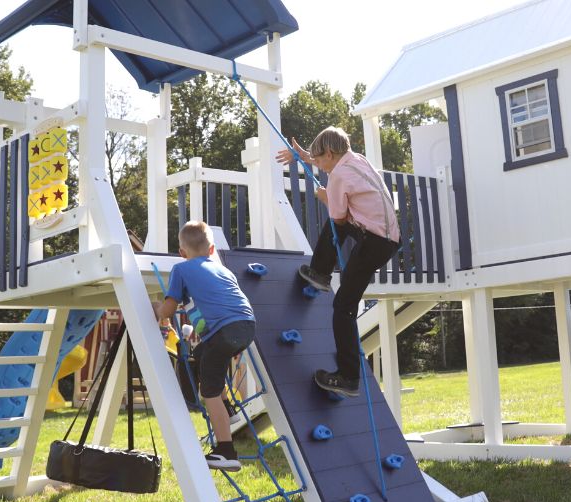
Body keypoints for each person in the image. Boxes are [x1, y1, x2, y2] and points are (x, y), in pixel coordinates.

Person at [276, 126, 400, 397]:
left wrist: (326, 197)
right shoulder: (356, 160)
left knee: (343, 307)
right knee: (339, 220)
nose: (319, 165)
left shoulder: (339, 176)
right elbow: (334, 170)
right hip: (387, 237)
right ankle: (320, 272)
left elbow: (339, 219)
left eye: (320, 160)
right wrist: (306, 157)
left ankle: (348, 377)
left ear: (330, 153)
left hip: (374, 243)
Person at [154, 221, 256, 472]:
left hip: (222, 332)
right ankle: (228, 408)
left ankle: (226, 452)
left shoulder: (181, 269)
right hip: (246, 327)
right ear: (211, 250)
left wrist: (156, 308)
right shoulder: (224, 270)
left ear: (182, 252)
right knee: (201, 354)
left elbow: (168, 310)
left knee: (208, 392)